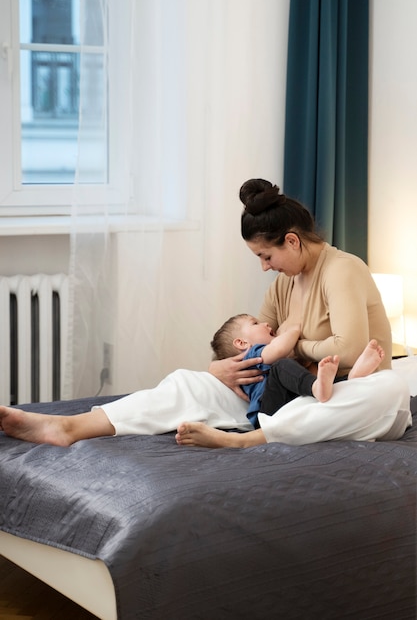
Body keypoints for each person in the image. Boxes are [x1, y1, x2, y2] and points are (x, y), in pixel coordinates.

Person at [0, 178, 411, 448]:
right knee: (188, 383)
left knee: (388, 392)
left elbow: (352, 348)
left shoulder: (342, 269)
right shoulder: (285, 283)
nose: (264, 267)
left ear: (292, 241)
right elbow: (252, 343)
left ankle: (241, 442)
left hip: (343, 392)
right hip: (289, 395)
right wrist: (220, 371)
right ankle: (71, 427)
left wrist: (290, 343)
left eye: (266, 256)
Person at [210, 313, 387, 428]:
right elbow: (279, 349)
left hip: (287, 405)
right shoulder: (251, 356)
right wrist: (294, 329)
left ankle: (351, 379)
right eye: (255, 323)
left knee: (312, 384)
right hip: (267, 416)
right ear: (242, 343)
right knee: (281, 367)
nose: (265, 323)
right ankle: (318, 387)